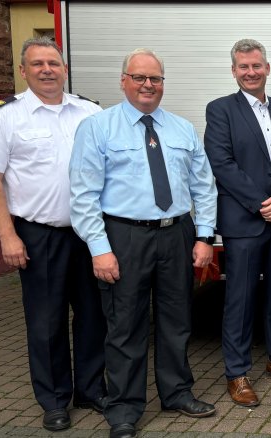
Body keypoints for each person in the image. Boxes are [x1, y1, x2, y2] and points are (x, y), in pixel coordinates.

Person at [69, 48, 219, 438]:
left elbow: (203, 186)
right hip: (124, 236)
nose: (148, 85)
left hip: (177, 233)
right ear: (123, 81)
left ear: (163, 84)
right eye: (139, 77)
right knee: (125, 326)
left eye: (155, 78)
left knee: (176, 321)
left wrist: (204, 236)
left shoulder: (182, 129)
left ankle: (177, 393)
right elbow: (83, 194)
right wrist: (99, 248)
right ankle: (123, 408)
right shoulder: (98, 128)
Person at [0, 37, 107, 432]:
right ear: (23, 70)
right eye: (37, 64)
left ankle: (90, 389)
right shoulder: (6, 116)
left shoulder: (90, 111)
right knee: (45, 321)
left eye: (53, 62)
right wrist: (7, 236)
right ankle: (53, 400)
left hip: (88, 233)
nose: (47, 69)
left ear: (65, 68)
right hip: (38, 234)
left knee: (92, 316)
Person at [204, 39, 271, 408]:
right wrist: (262, 203)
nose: (251, 72)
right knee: (240, 299)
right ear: (234, 71)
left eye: (257, 66)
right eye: (243, 67)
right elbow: (222, 163)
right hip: (245, 221)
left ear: (267, 68)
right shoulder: (220, 110)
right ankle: (237, 371)